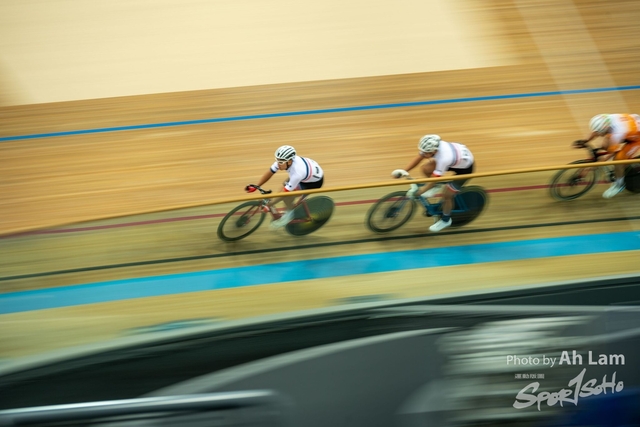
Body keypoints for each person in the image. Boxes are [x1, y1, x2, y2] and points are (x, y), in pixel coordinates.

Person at [391, 134, 475, 232]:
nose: (423, 154)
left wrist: (419, 193)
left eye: (426, 153)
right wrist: (404, 171)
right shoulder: (433, 148)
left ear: (434, 151)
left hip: (465, 170)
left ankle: (446, 220)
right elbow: (419, 157)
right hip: (457, 160)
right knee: (426, 168)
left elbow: (434, 179)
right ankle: (436, 187)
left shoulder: (444, 158)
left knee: (447, 195)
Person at [246, 145, 324, 229]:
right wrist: (257, 186)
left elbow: (285, 193)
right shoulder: (283, 161)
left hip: (312, 183)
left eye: (280, 162)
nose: (278, 164)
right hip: (306, 174)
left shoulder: (297, 173)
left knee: (287, 197)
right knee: (283, 187)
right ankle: (289, 207)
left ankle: (288, 215)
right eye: (277, 160)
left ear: (289, 162)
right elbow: (270, 172)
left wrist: (269, 205)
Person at [574, 113, 640, 198]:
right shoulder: (606, 120)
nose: (599, 134)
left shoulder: (617, 133)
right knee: (605, 145)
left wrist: (597, 163)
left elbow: (611, 154)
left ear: (605, 128)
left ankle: (619, 185)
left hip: (636, 138)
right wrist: (584, 141)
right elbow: (596, 132)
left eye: (600, 132)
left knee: (618, 160)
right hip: (630, 128)